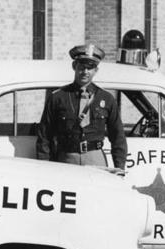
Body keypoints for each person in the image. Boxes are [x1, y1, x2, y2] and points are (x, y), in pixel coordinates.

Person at [36, 43, 127, 171]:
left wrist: (120, 167)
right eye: (81, 67)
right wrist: (44, 166)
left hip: (95, 158)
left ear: (96, 70)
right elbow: (45, 135)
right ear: (74, 66)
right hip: (67, 159)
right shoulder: (58, 97)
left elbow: (118, 136)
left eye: (90, 68)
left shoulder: (106, 98)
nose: (85, 72)